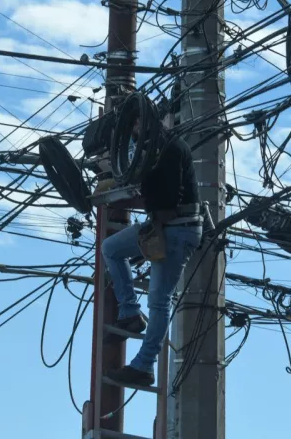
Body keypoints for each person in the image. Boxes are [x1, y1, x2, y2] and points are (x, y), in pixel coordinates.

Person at [101, 116, 202, 387]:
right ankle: (130, 313)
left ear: (145, 122)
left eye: (134, 125)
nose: (133, 132)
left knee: (159, 301)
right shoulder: (153, 150)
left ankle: (144, 366)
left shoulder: (171, 148)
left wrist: (138, 182)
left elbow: (167, 201)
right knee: (111, 248)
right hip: (163, 225)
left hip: (177, 229)